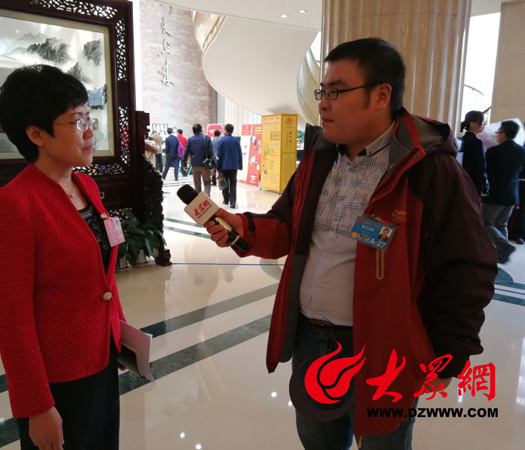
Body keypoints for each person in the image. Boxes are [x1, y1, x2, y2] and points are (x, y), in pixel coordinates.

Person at [204, 38, 497, 449]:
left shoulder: (428, 168)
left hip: (385, 348)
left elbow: (467, 267)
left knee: (383, 443)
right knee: (317, 440)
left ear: (381, 96)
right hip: (312, 341)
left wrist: (450, 351)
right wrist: (244, 228)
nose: (323, 104)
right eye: (322, 92)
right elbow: (287, 226)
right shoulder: (319, 158)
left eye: (337, 92)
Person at [0, 65, 125, 450]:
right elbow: (11, 320)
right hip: (58, 380)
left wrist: (121, 334)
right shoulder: (11, 205)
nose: (90, 132)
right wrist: (37, 405)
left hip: (102, 359)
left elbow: (103, 277)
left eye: (89, 118)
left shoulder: (86, 185)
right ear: (36, 134)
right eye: (77, 121)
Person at [482, 120, 525, 262]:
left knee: (486, 222)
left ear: (503, 135)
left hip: (495, 194)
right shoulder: (522, 151)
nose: (497, 135)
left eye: (498, 132)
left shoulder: (493, 151)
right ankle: (502, 254)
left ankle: (503, 245)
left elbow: (486, 172)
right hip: (512, 194)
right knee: (502, 224)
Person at [459, 110, 489, 197]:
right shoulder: (476, 142)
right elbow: (480, 166)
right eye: (482, 122)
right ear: (472, 124)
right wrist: (484, 184)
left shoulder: (461, 140)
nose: (484, 125)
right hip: (473, 183)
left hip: (461, 180)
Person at [216, 123, 243, 208]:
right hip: (234, 166)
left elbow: (219, 155)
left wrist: (217, 165)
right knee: (233, 183)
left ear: (226, 131)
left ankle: (226, 200)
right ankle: (233, 202)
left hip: (223, 166)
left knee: (224, 183)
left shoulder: (221, 140)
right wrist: (240, 165)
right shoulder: (236, 141)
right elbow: (239, 154)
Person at [183, 123, 214, 195]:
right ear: (201, 130)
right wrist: (213, 164)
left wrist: (184, 164)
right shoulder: (206, 138)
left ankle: (199, 199)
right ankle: (206, 197)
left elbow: (186, 152)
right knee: (207, 182)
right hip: (205, 165)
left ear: (193, 131)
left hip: (195, 165)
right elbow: (211, 153)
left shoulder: (190, 140)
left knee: (197, 185)